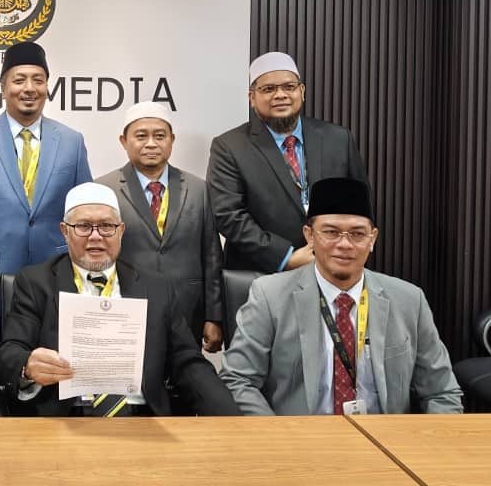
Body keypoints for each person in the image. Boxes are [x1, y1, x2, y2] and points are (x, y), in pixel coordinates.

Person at [220, 177, 463, 415]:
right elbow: (238, 380)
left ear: (372, 239)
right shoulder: (270, 296)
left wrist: (433, 438)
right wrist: (276, 435)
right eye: (331, 232)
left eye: (357, 234)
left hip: (384, 436)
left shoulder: (409, 300)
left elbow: (442, 392)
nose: (345, 244)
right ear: (309, 235)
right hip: (301, 436)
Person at [0, 182, 240, 416]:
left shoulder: (156, 287)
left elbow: (187, 362)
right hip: (68, 417)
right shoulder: (36, 283)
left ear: (121, 231)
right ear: (65, 232)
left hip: (142, 417)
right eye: (83, 226)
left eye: (106, 226)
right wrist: (28, 366)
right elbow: (10, 350)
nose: (95, 236)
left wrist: (231, 419)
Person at [0, 41, 92, 384]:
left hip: (54, 281)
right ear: (3, 87)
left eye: (38, 80)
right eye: (19, 79)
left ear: (48, 86)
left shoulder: (71, 141)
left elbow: (85, 214)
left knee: (50, 379)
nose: (29, 88)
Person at [207, 51, 369, 273]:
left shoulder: (338, 139)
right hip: (263, 274)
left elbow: (359, 203)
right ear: (251, 97)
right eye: (268, 89)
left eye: (289, 87)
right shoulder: (229, 146)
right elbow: (228, 215)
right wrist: (285, 257)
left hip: (333, 268)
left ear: (302, 91)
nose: (280, 95)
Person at [97, 102, 224, 351]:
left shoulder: (198, 189)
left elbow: (212, 255)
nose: (151, 143)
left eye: (159, 136)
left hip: (188, 311)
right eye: (141, 136)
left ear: (172, 140)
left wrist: (214, 316)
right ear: (124, 141)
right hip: (125, 311)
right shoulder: (104, 189)